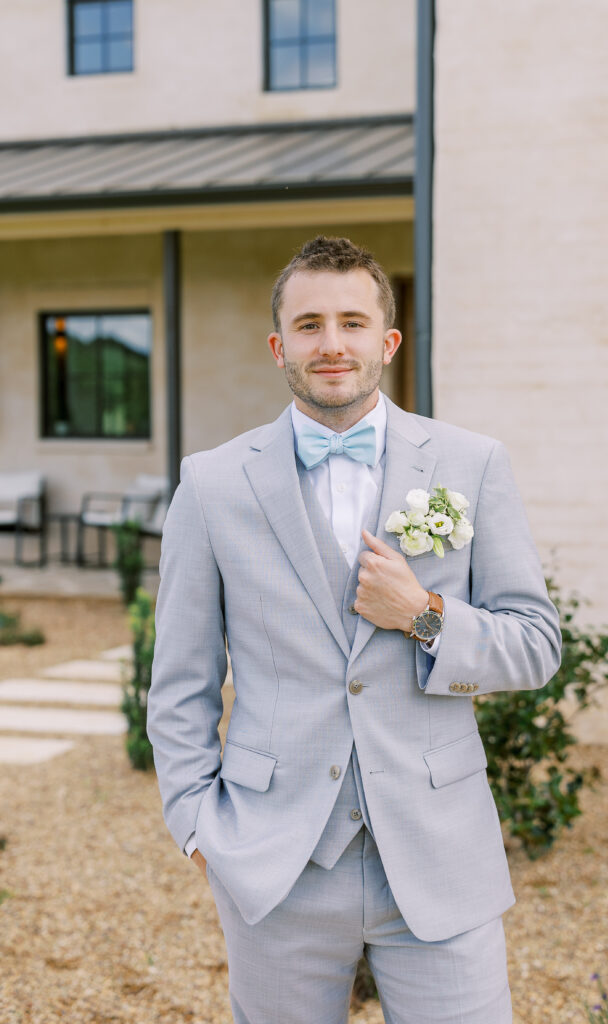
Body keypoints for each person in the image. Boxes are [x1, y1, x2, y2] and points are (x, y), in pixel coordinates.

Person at [147, 235, 562, 1024]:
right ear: (279, 346)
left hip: (440, 856)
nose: (331, 344)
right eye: (308, 325)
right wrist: (197, 826)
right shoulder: (212, 484)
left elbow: (535, 644)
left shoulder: (470, 465)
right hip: (276, 861)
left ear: (387, 341)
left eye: (351, 322)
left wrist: (425, 615)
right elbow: (180, 682)